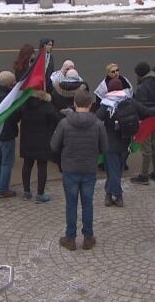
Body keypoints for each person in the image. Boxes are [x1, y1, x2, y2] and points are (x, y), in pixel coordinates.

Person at [96, 77, 155, 207]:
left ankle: (117, 196)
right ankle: (109, 194)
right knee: (116, 170)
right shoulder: (130, 101)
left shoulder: (106, 104)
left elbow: (95, 120)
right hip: (126, 143)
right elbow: (148, 112)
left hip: (110, 144)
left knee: (113, 171)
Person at [51, 90, 109, 251]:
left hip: (70, 169)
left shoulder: (64, 123)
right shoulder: (98, 124)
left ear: (74, 104)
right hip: (89, 169)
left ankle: (70, 238)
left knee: (71, 204)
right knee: (87, 203)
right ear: (91, 105)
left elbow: (54, 146)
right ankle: (88, 237)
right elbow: (105, 148)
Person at [130, 62, 155, 185]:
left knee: (146, 149)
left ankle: (144, 175)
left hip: (146, 119)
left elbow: (139, 106)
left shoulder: (142, 87)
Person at [19, 90, 61, 202]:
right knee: (42, 166)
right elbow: (57, 121)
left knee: (27, 165)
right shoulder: (48, 107)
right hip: (43, 141)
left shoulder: (24, 105)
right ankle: (40, 194)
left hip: (27, 140)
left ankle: (26, 192)